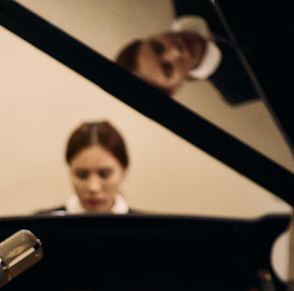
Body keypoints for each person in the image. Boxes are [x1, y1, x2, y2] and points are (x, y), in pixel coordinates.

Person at [115, 7, 257, 105]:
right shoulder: (235, 89)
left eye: (158, 47)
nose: (175, 50)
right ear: (174, 88)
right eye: (168, 68)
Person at [41, 121, 131, 215]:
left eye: (104, 174)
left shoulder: (141, 224)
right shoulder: (39, 222)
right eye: (82, 175)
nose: (93, 187)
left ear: (124, 171)